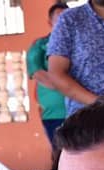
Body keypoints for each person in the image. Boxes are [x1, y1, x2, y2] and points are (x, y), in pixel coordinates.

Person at [27, 3, 69, 146]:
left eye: (67, 18)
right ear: (50, 22)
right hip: (55, 114)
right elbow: (38, 74)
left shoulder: (81, 44)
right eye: (59, 18)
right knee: (60, 153)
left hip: (81, 111)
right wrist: (70, 88)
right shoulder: (40, 46)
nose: (63, 22)